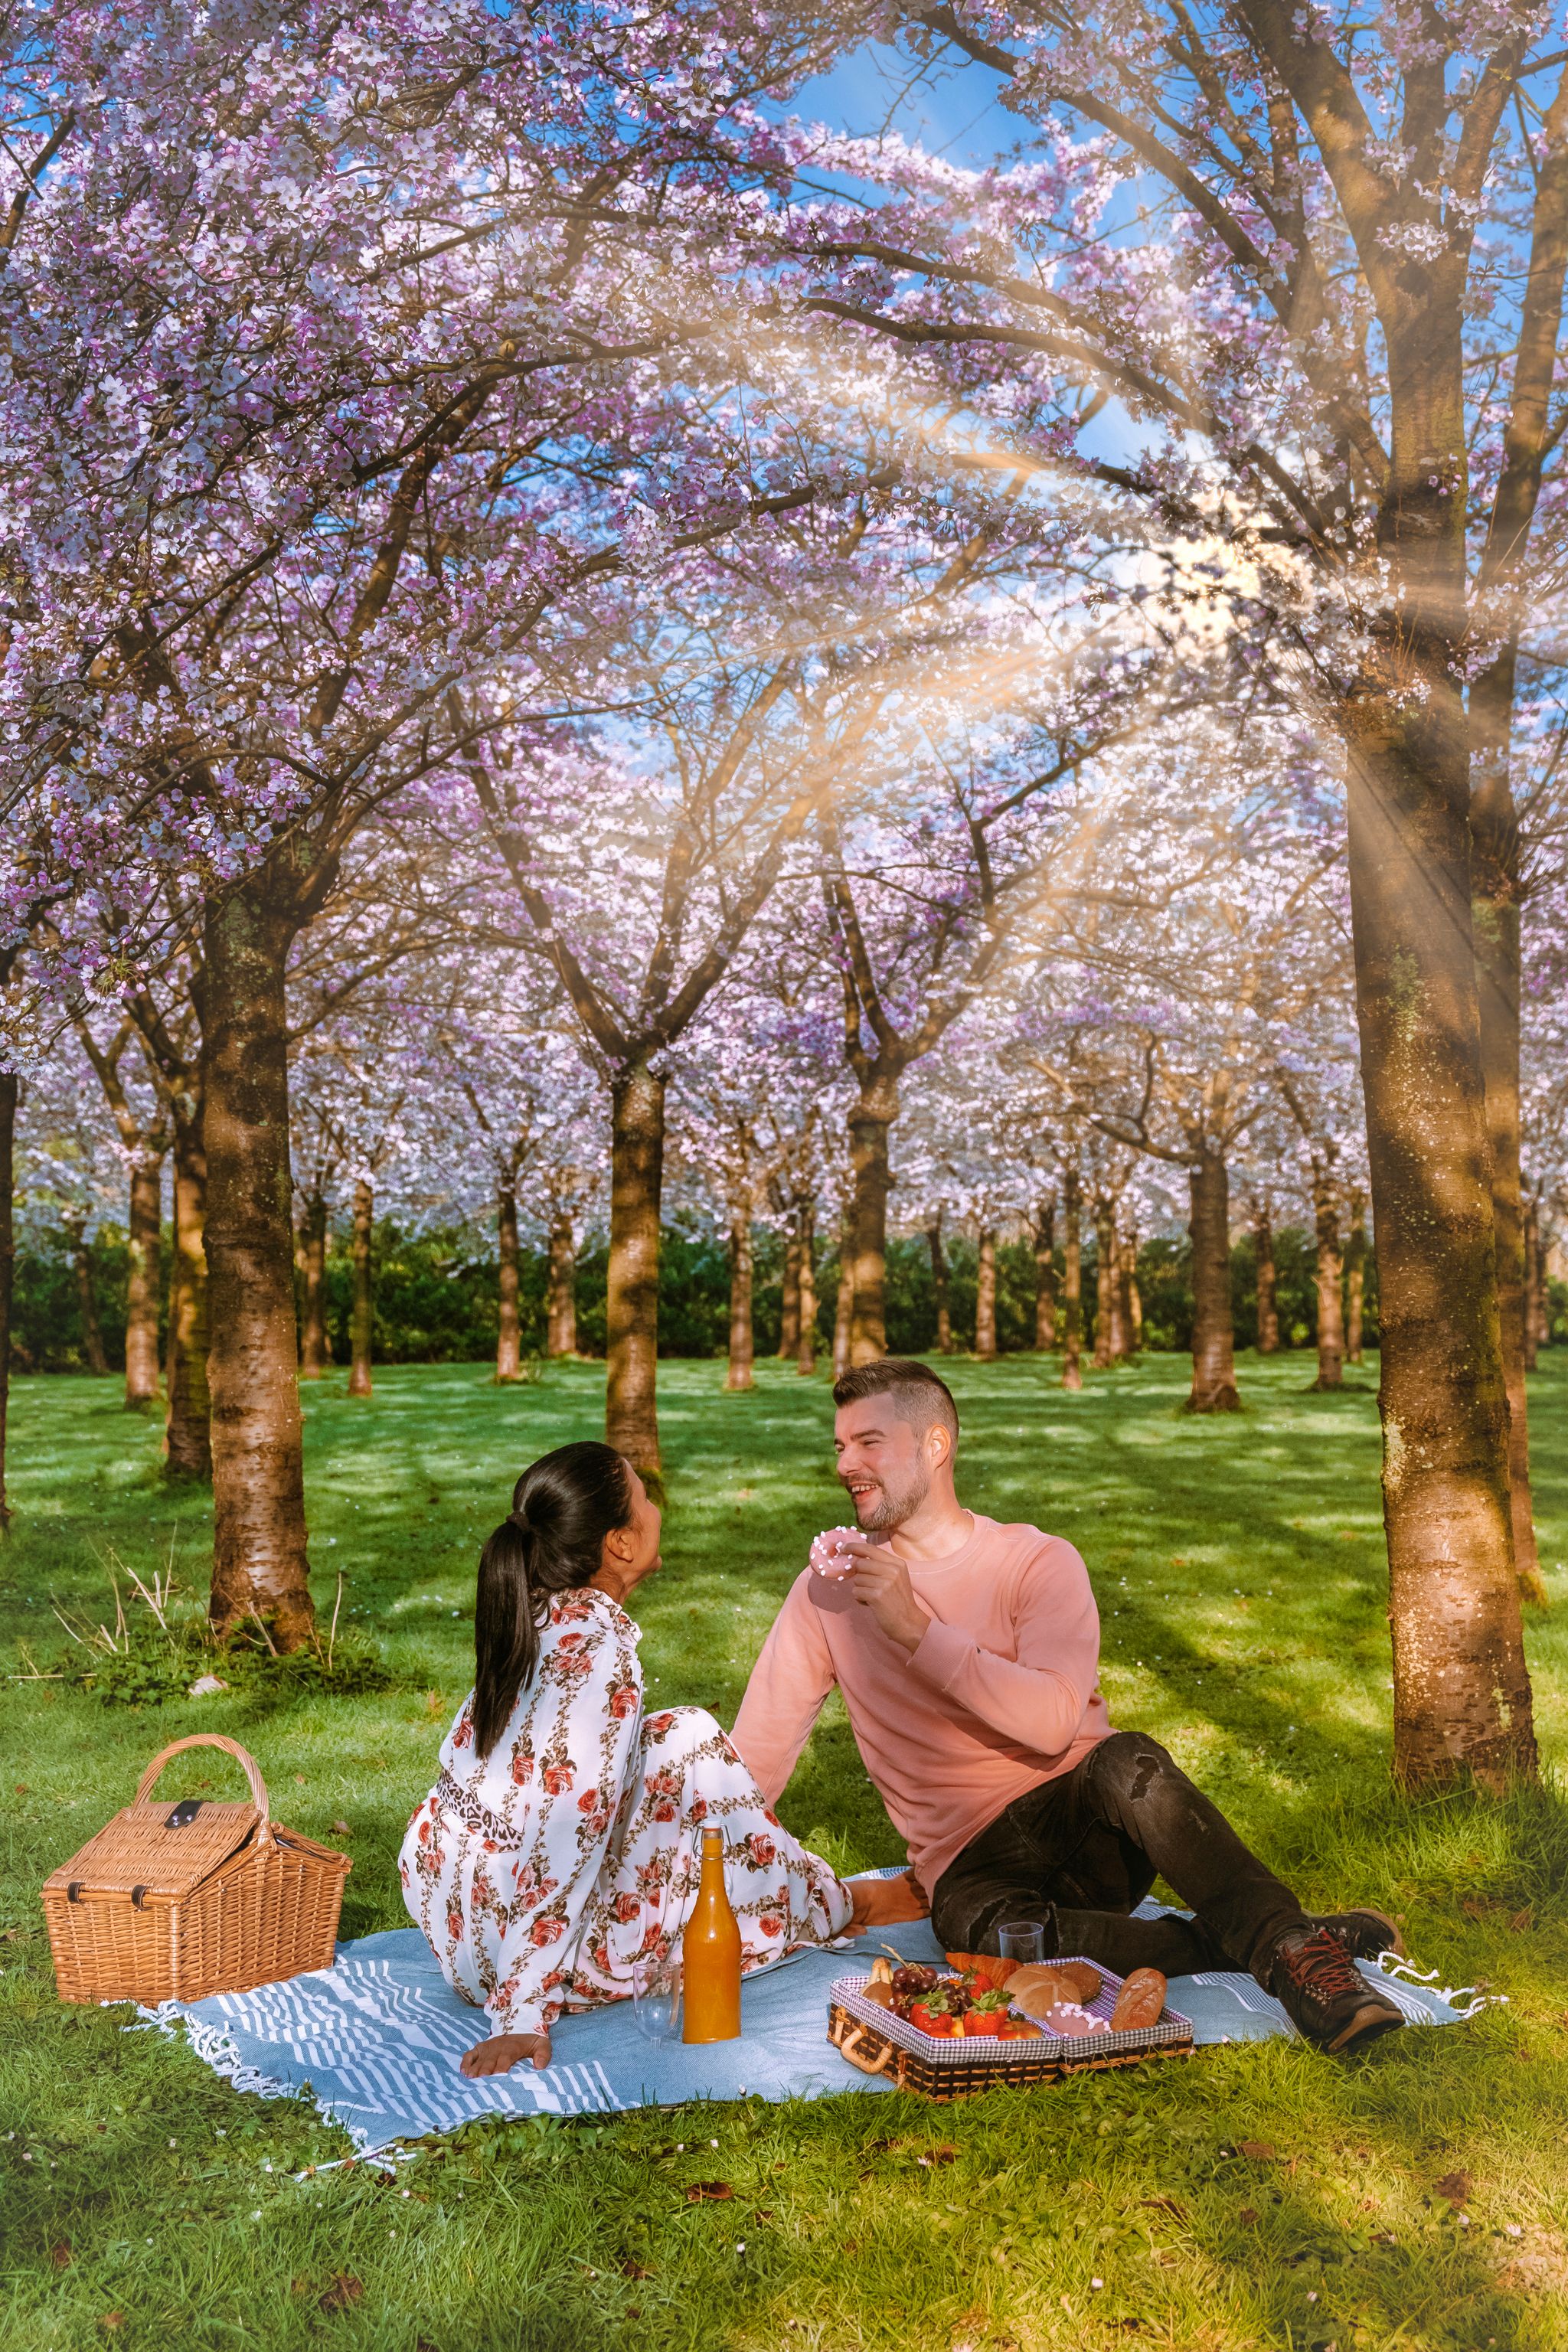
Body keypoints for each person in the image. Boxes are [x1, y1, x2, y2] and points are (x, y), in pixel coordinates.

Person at [731, 1359, 1405, 2055]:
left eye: (868, 1442)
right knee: (981, 1938)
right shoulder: (826, 1593)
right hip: (970, 1866)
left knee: (1129, 1760)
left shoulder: (1036, 1561)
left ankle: (1309, 1974)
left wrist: (917, 1631)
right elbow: (755, 1759)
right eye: (840, 1445)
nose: (847, 1462)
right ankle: (1275, 1935)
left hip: (1085, 1821)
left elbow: (1052, 1724)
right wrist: (694, 1871)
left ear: (935, 1446)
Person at [400, 1439, 925, 2077]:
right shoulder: (597, 1658)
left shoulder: (532, 1614)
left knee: (678, 1738)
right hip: (514, 1958)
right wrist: (520, 2015)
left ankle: (819, 1892)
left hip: (460, 1931)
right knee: (700, 1744)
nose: (656, 1505)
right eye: (644, 1497)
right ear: (619, 1544)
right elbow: (566, 1840)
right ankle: (841, 1905)